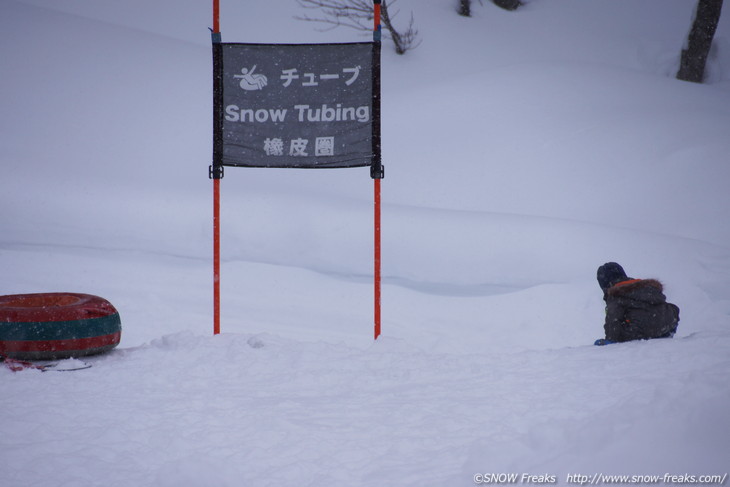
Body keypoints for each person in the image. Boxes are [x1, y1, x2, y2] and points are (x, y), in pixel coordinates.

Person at [594, 262, 680, 346]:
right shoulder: (644, 287)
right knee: (670, 308)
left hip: (639, 331)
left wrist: (610, 339)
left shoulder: (616, 294)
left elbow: (613, 319)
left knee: (620, 328)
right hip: (665, 325)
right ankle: (667, 333)